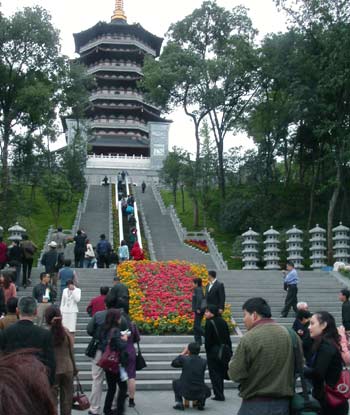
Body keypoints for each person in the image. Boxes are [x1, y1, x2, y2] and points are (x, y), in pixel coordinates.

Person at [228, 297, 296, 415]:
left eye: (245, 315)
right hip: (283, 405)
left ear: (254, 315)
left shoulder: (249, 337)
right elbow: (300, 365)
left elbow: (235, 374)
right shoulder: (290, 334)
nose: (244, 320)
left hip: (254, 405)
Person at [0, 296, 56, 385]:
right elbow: (51, 363)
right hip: (37, 383)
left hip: (13, 383)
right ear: (36, 312)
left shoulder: (6, 333)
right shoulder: (45, 334)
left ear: (17, 311)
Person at [305, 311, 347, 415]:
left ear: (324, 325)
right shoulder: (323, 343)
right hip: (330, 400)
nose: (309, 327)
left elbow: (319, 373)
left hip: (331, 402)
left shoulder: (326, 346)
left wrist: (300, 369)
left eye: (312, 323)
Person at [45, 305, 77, 415]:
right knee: (67, 399)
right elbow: (71, 351)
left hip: (53, 369)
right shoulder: (66, 332)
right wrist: (75, 367)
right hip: (68, 367)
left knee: (52, 398)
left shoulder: (45, 333)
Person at [98, 309, 128, 415]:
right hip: (116, 363)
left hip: (108, 362)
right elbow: (120, 346)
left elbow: (102, 344)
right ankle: (119, 410)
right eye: (119, 317)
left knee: (111, 388)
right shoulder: (115, 331)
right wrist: (124, 339)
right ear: (116, 319)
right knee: (123, 387)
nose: (120, 319)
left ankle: (107, 409)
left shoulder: (104, 329)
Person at [171, 342, 211, 411]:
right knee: (206, 388)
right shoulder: (204, 361)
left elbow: (173, 364)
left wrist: (183, 353)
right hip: (199, 391)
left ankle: (179, 403)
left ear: (188, 351)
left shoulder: (184, 359)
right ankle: (201, 403)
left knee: (175, 382)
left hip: (185, 391)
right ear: (199, 351)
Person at [204, 304, 232, 401]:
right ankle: (220, 393)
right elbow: (228, 338)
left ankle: (219, 395)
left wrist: (207, 351)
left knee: (214, 374)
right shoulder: (223, 321)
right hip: (224, 350)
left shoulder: (209, 323)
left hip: (214, 352)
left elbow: (208, 341)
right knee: (220, 372)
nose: (205, 313)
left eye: (207, 312)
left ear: (212, 313)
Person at [123, 314, 141, 408]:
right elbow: (137, 338)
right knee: (131, 376)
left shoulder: (117, 324)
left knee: (118, 376)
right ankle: (131, 400)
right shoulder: (132, 324)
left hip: (120, 351)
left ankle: (121, 396)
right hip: (130, 350)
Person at [192, 277, 204, 345]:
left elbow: (199, 299)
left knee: (197, 326)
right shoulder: (198, 289)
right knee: (196, 326)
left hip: (199, 310)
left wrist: (198, 308)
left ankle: (208, 336)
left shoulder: (198, 289)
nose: (192, 284)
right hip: (198, 309)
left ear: (196, 283)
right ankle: (198, 342)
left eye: (193, 283)